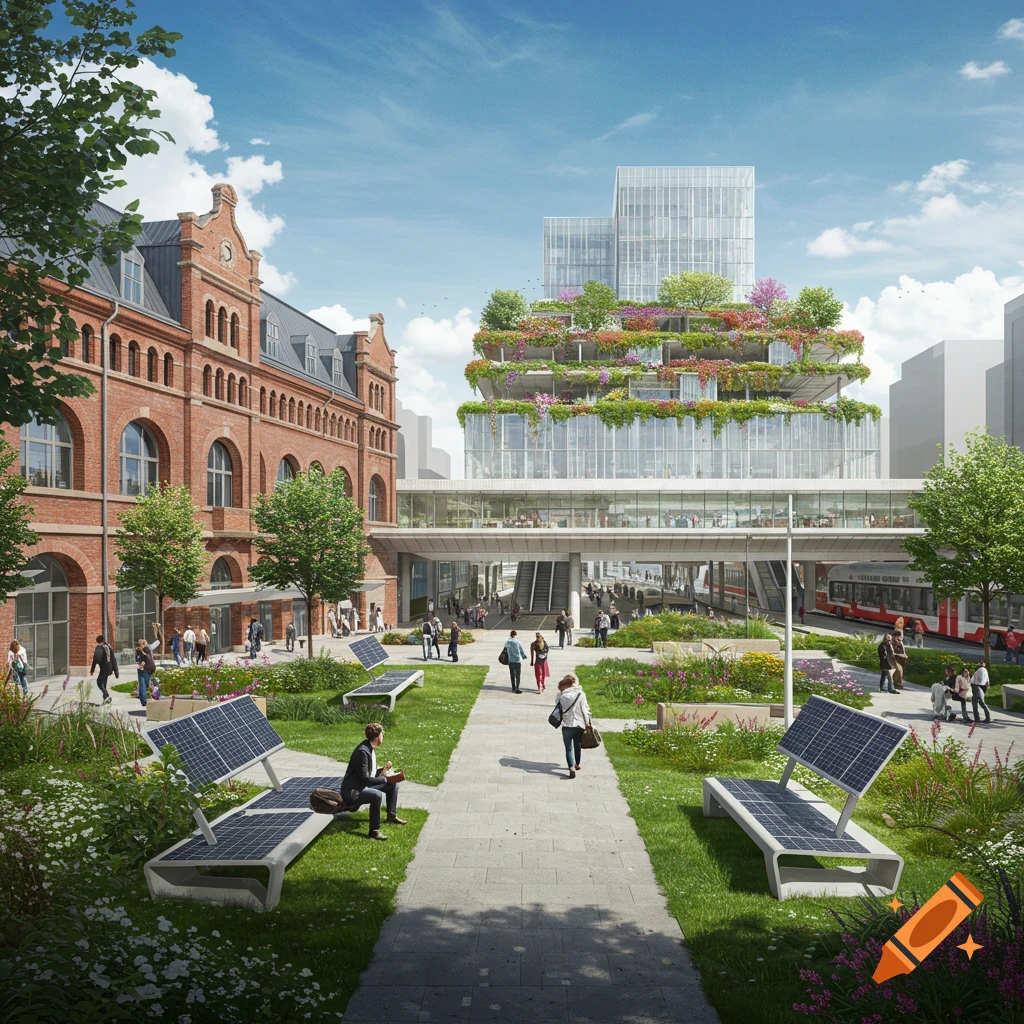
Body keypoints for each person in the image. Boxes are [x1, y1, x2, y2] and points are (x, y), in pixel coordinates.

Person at [341, 723, 406, 841]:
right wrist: (384, 778)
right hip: (353, 791)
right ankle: (374, 831)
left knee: (393, 785)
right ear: (377, 737)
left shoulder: (369, 748)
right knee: (376, 795)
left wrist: (384, 771)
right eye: (382, 734)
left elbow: (369, 773)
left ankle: (391, 816)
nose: (383, 736)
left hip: (362, 786)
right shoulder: (362, 752)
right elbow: (365, 779)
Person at [555, 673, 593, 779]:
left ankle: (571, 767)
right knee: (577, 744)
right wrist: (587, 722)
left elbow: (558, 707)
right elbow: (584, 710)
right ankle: (577, 764)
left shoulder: (561, 695)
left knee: (568, 748)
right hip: (579, 724)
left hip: (566, 725)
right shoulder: (580, 694)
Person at [89, 634, 118, 704]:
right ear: (103, 640)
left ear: (98, 641)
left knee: (99, 682)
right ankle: (105, 699)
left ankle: (106, 694)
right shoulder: (108, 647)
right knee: (104, 683)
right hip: (109, 668)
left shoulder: (99, 648)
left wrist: (92, 670)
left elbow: (95, 659)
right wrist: (115, 670)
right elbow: (113, 659)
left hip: (104, 668)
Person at [134, 638, 156, 707]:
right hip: (151, 668)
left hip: (144, 669)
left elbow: (138, 660)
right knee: (145, 684)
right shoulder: (148, 649)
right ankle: (144, 695)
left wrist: (139, 651)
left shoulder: (142, 650)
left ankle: (143, 700)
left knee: (142, 685)